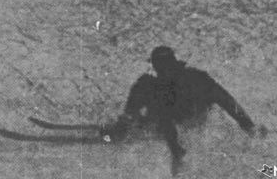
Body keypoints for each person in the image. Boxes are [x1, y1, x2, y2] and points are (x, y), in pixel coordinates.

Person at [100, 46, 264, 177]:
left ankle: (177, 151)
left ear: (155, 67)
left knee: (156, 103)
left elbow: (226, 101)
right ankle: (176, 149)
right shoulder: (196, 78)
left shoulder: (153, 84)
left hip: (174, 127)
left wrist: (115, 133)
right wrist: (248, 126)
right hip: (186, 124)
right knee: (157, 104)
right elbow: (227, 102)